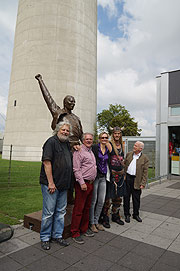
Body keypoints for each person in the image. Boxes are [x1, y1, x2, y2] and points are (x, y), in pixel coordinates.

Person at [40, 120, 72, 250]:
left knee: (60, 212)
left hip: (63, 185)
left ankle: (57, 235)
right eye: (63, 130)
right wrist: (51, 182)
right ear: (57, 130)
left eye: (67, 130)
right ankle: (45, 238)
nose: (65, 132)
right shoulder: (51, 142)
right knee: (49, 213)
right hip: (51, 185)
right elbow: (47, 163)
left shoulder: (67, 143)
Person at [35, 74, 83, 147]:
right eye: (71, 101)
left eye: (74, 102)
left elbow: (81, 135)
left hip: (76, 148)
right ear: (65, 103)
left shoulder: (76, 118)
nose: (73, 103)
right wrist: (40, 81)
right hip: (64, 146)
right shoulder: (59, 113)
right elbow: (48, 98)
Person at [71, 133, 97, 244]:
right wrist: (81, 183)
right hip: (83, 184)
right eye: (87, 139)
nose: (89, 141)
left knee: (87, 208)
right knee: (79, 209)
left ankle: (84, 229)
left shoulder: (90, 151)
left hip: (91, 183)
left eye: (90, 139)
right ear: (83, 140)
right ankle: (75, 232)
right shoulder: (79, 151)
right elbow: (76, 169)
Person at [100, 127, 126, 228]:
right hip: (111, 175)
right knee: (108, 198)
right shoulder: (109, 144)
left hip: (120, 175)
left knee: (118, 198)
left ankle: (115, 215)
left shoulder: (122, 145)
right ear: (113, 134)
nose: (117, 135)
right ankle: (105, 218)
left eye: (119, 133)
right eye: (115, 133)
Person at [89, 132, 112, 233]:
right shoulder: (94, 148)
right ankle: (91, 223)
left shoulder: (108, 149)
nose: (104, 139)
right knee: (93, 201)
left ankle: (96, 221)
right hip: (95, 177)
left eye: (106, 137)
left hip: (103, 177)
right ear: (99, 139)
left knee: (101, 201)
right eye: (102, 137)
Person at [124, 141, 149, 223]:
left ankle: (136, 214)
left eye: (136, 146)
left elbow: (145, 172)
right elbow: (124, 165)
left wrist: (143, 183)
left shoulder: (145, 158)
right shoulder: (129, 154)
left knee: (136, 199)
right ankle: (127, 214)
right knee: (126, 198)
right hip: (127, 179)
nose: (134, 146)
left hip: (137, 180)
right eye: (134, 145)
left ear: (140, 148)